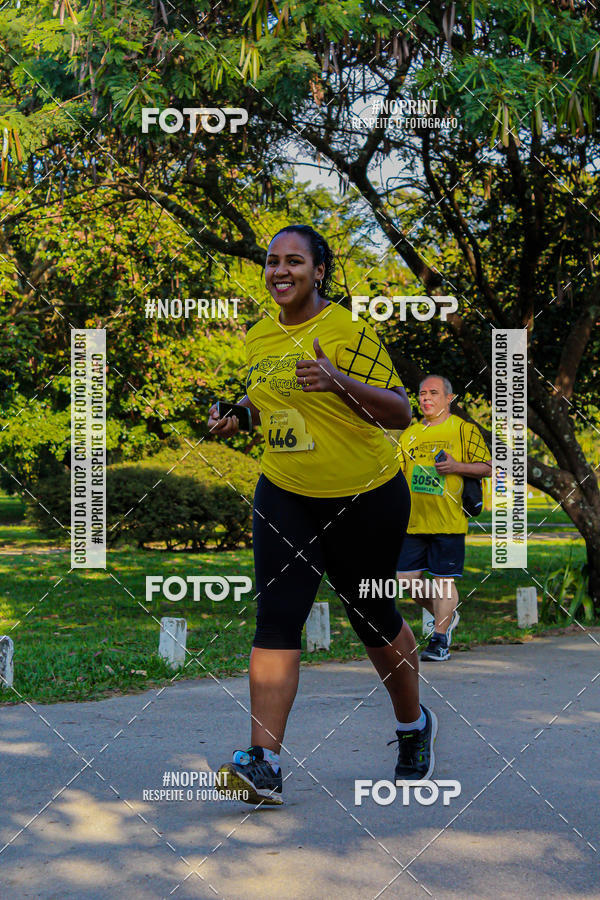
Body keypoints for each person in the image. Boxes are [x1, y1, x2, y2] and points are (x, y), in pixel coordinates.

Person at [207, 224, 437, 805]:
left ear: (319, 272)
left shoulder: (347, 329)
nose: (280, 271)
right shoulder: (259, 335)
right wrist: (238, 413)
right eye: (272, 261)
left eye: (294, 262)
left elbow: (400, 412)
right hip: (285, 491)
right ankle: (264, 763)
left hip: (365, 494)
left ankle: (413, 726)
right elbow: (271, 399)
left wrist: (337, 382)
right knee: (277, 618)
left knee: (370, 615)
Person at [396, 375, 492, 661]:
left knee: (443, 581)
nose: (425, 398)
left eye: (433, 393)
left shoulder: (463, 429)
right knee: (406, 580)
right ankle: (446, 614)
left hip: (448, 520)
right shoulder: (409, 434)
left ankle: (439, 640)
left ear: (449, 398)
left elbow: (487, 467)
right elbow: (397, 474)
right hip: (413, 521)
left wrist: (456, 466)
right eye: (422, 394)